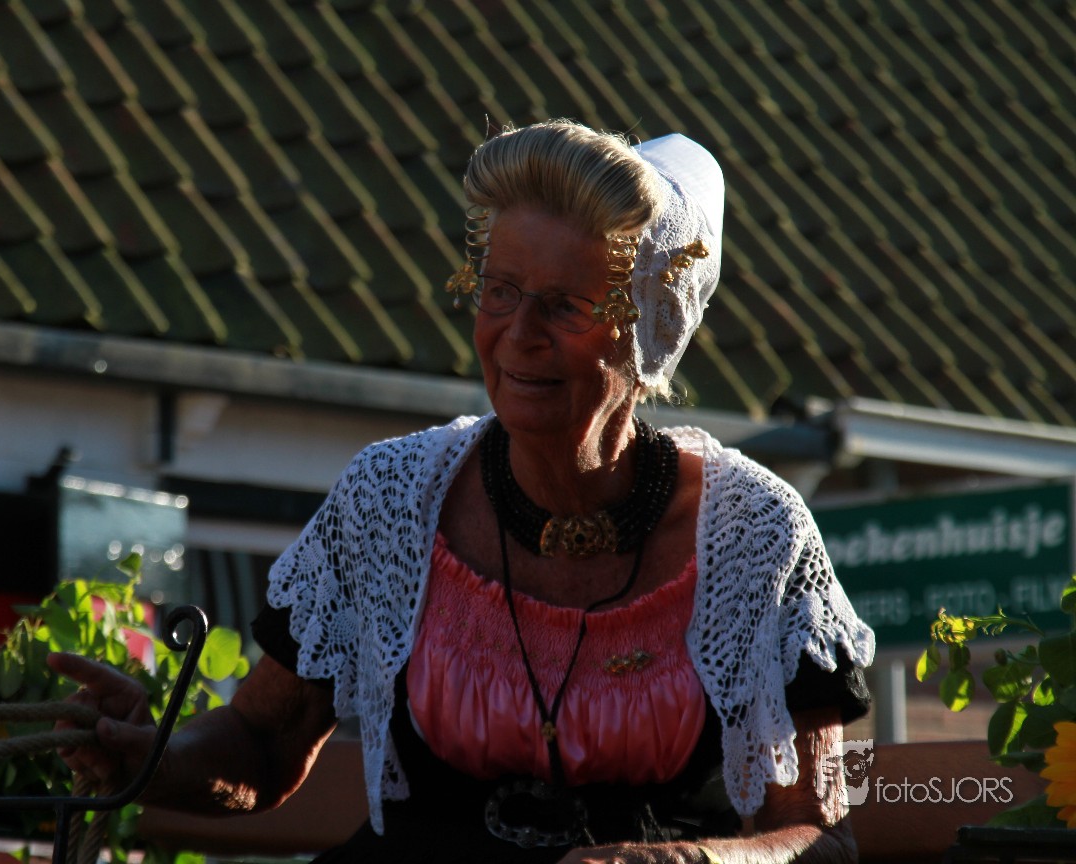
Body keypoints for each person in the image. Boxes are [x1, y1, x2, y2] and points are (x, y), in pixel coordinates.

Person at [50, 119, 875, 863]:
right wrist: (152, 758)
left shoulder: (755, 537)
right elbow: (262, 745)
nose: (518, 334)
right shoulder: (390, 500)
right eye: (501, 290)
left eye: (565, 306)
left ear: (651, 327)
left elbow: (819, 835)